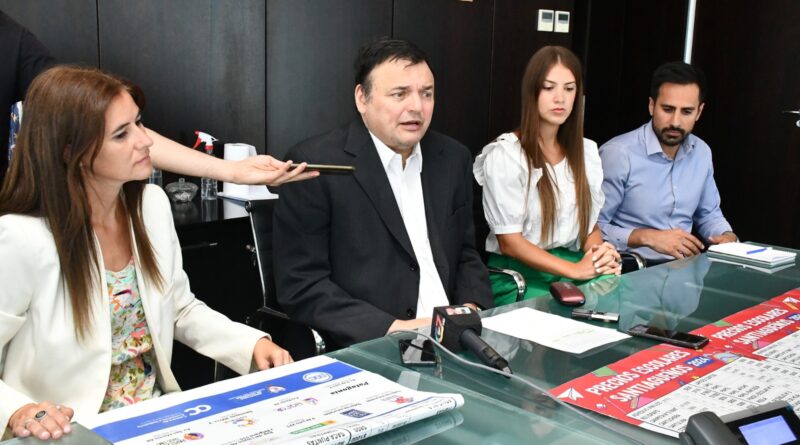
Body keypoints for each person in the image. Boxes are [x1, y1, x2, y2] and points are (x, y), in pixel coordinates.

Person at [0, 66, 292, 441]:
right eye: (122, 134)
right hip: (70, 433)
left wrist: (250, 344)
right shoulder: (21, 237)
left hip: (155, 421)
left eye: (139, 123)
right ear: (72, 153)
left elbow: (180, 309)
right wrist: (18, 411)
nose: (145, 140)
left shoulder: (150, 205)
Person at [273, 38, 493, 350]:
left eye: (426, 94)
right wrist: (393, 329)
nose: (416, 107)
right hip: (374, 343)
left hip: (459, 338)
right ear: (362, 98)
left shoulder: (453, 158)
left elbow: (466, 253)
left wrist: (470, 310)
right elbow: (302, 284)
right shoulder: (316, 165)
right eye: (399, 94)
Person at [0, 9, 316, 187]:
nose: (142, 139)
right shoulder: (20, 237)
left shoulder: (12, 39)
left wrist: (232, 171)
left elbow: (102, 125)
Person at [473, 46, 621, 306]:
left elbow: (589, 228)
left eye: (569, 89)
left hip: (573, 267)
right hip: (521, 275)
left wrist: (600, 256)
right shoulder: (507, 155)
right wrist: (575, 270)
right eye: (549, 87)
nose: (560, 98)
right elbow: (510, 243)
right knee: (565, 316)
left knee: (619, 301)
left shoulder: (585, 152)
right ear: (532, 92)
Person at [598, 61, 737, 263]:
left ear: (699, 112)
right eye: (668, 109)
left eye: (686, 111)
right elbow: (591, 229)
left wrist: (727, 237)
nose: (675, 122)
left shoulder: (702, 152)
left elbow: (709, 214)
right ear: (652, 106)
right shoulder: (618, 154)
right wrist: (646, 237)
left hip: (684, 269)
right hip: (630, 268)